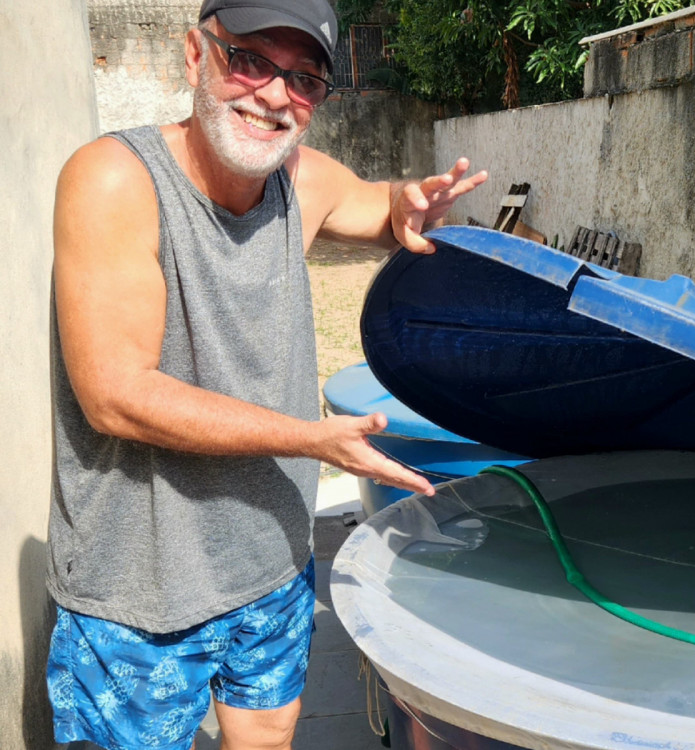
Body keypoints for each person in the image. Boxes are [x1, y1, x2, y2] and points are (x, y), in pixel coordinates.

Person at [45, 0, 487, 747]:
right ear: (194, 56)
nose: (275, 94)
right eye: (247, 60)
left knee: (271, 736)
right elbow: (117, 396)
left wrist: (408, 203)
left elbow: (377, 207)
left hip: (270, 564)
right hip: (138, 589)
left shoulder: (302, 180)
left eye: (304, 79)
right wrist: (309, 438)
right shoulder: (114, 179)